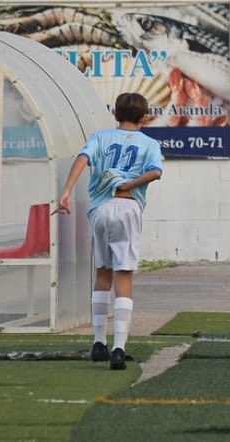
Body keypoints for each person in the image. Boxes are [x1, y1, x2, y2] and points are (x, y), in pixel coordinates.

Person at [56, 92, 164, 371]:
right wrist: (128, 185)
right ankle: (119, 347)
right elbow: (155, 172)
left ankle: (98, 341)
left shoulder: (100, 137)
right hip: (127, 208)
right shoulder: (149, 143)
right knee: (124, 275)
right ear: (144, 118)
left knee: (102, 272)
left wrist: (67, 192)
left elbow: (82, 158)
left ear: (115, 115)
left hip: (100, 209)